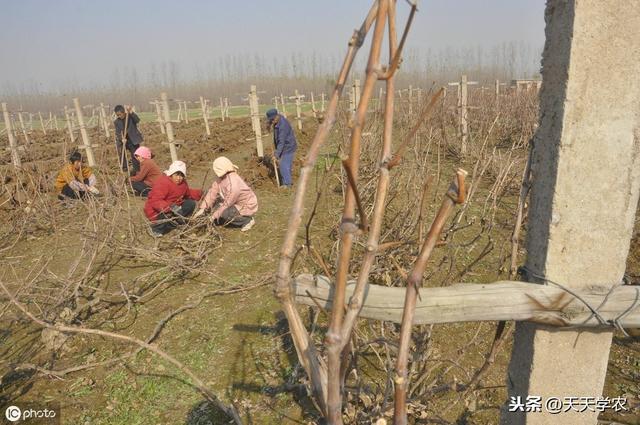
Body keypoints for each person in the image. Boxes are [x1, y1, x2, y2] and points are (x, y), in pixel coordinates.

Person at [193, 157, 257, 232]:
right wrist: (203, 208)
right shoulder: (222, 178)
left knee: (224, 213)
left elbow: (227, 204)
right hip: (234, 203)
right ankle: (222, 218)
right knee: (216, 207)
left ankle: (246, 220)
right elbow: (212, 191)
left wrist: (213, 217)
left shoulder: (233, 184)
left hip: (245, 205)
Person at [144, 161, 202, 237]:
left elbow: (188, 193)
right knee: (166, 214)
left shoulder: (183, 184)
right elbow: (155, 201)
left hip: (174, 208)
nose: (179, 178)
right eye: (177, 174)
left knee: (190, 203)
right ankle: (156, 229)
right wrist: (170, 207)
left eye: (181, 175)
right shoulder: (163, 182)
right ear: (171, 173)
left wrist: (201, 193)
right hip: (157, 210)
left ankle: (176, 221)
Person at [265, 108, 297, 188]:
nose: (272, 122)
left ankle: (287, 184)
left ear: (276, 116)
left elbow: (281, 142)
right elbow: (270, 123)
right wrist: (268, 126)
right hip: (286, 146)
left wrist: (276, 155)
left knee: (283, 164)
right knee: (286, 165)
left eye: (272, 120)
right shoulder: (278, 120)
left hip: (288, 146)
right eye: (271, 120)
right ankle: (286, 181)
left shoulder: (283, 125)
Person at [114, 104, 144, 173]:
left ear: (123, 112)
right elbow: (118, 132)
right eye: (117, 115)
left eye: (120, 114)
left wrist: (131, 111)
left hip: (133, 139)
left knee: (135, 155)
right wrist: (122, 138)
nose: (119, 116)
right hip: (124, 140)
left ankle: (137, 170)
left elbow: (137, 120)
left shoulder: (130, 116)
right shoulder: (116, 122)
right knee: (120, 151)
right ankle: (124, 168)